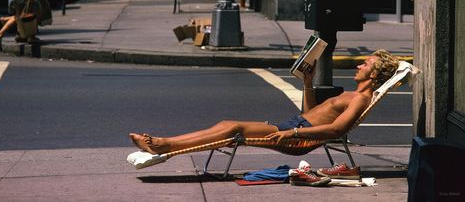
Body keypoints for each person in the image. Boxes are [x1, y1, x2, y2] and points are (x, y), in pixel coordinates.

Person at [129, 49, 399, 155]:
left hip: (298, 137)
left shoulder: (361, 98)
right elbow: (311, 114)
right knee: (227, 124)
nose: (360, 65)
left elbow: (335, 131)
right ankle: (163, 144)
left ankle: (163, 146)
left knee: (234, 129)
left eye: (366, 64)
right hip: (296, 127)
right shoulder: (351, 95)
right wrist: (308, 82)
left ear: (374, 74)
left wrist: (292, 132)